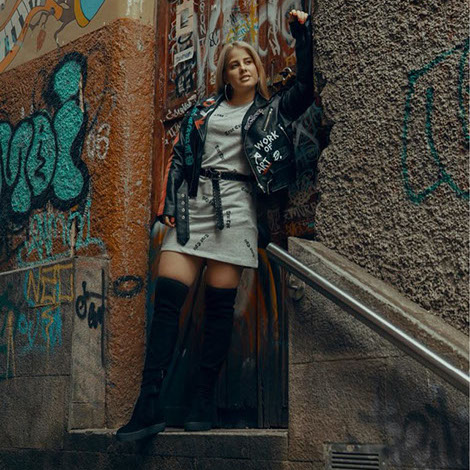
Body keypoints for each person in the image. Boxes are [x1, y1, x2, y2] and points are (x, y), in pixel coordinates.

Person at [116, 9, 313, 442]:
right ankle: (148, 404)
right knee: (168, 302)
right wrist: (170, 203)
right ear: (224, 74)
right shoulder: (203, 111)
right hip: (193, 208)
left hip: (237, 211)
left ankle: (202, 400)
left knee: (219, 310)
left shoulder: (270, 111)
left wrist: (303, 35)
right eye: (233, 64)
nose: (242, 69)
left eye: (248, 62)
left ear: (257, 69)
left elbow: (304, 89)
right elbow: (181, 158)